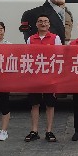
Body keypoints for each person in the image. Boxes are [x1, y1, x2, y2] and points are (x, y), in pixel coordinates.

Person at [24, 14, 62, 142]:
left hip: (50, 76)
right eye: (40, 21)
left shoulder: (55, 38)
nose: (43, 23)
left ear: (49, 24)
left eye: (45, 21)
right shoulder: (30, 39)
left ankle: (49, 131)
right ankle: (34, 130)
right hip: (34, 76)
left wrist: (56, 77)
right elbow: (27, 57)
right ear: (36, 24)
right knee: (34, 104)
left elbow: (59, 57)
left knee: (50, 104)